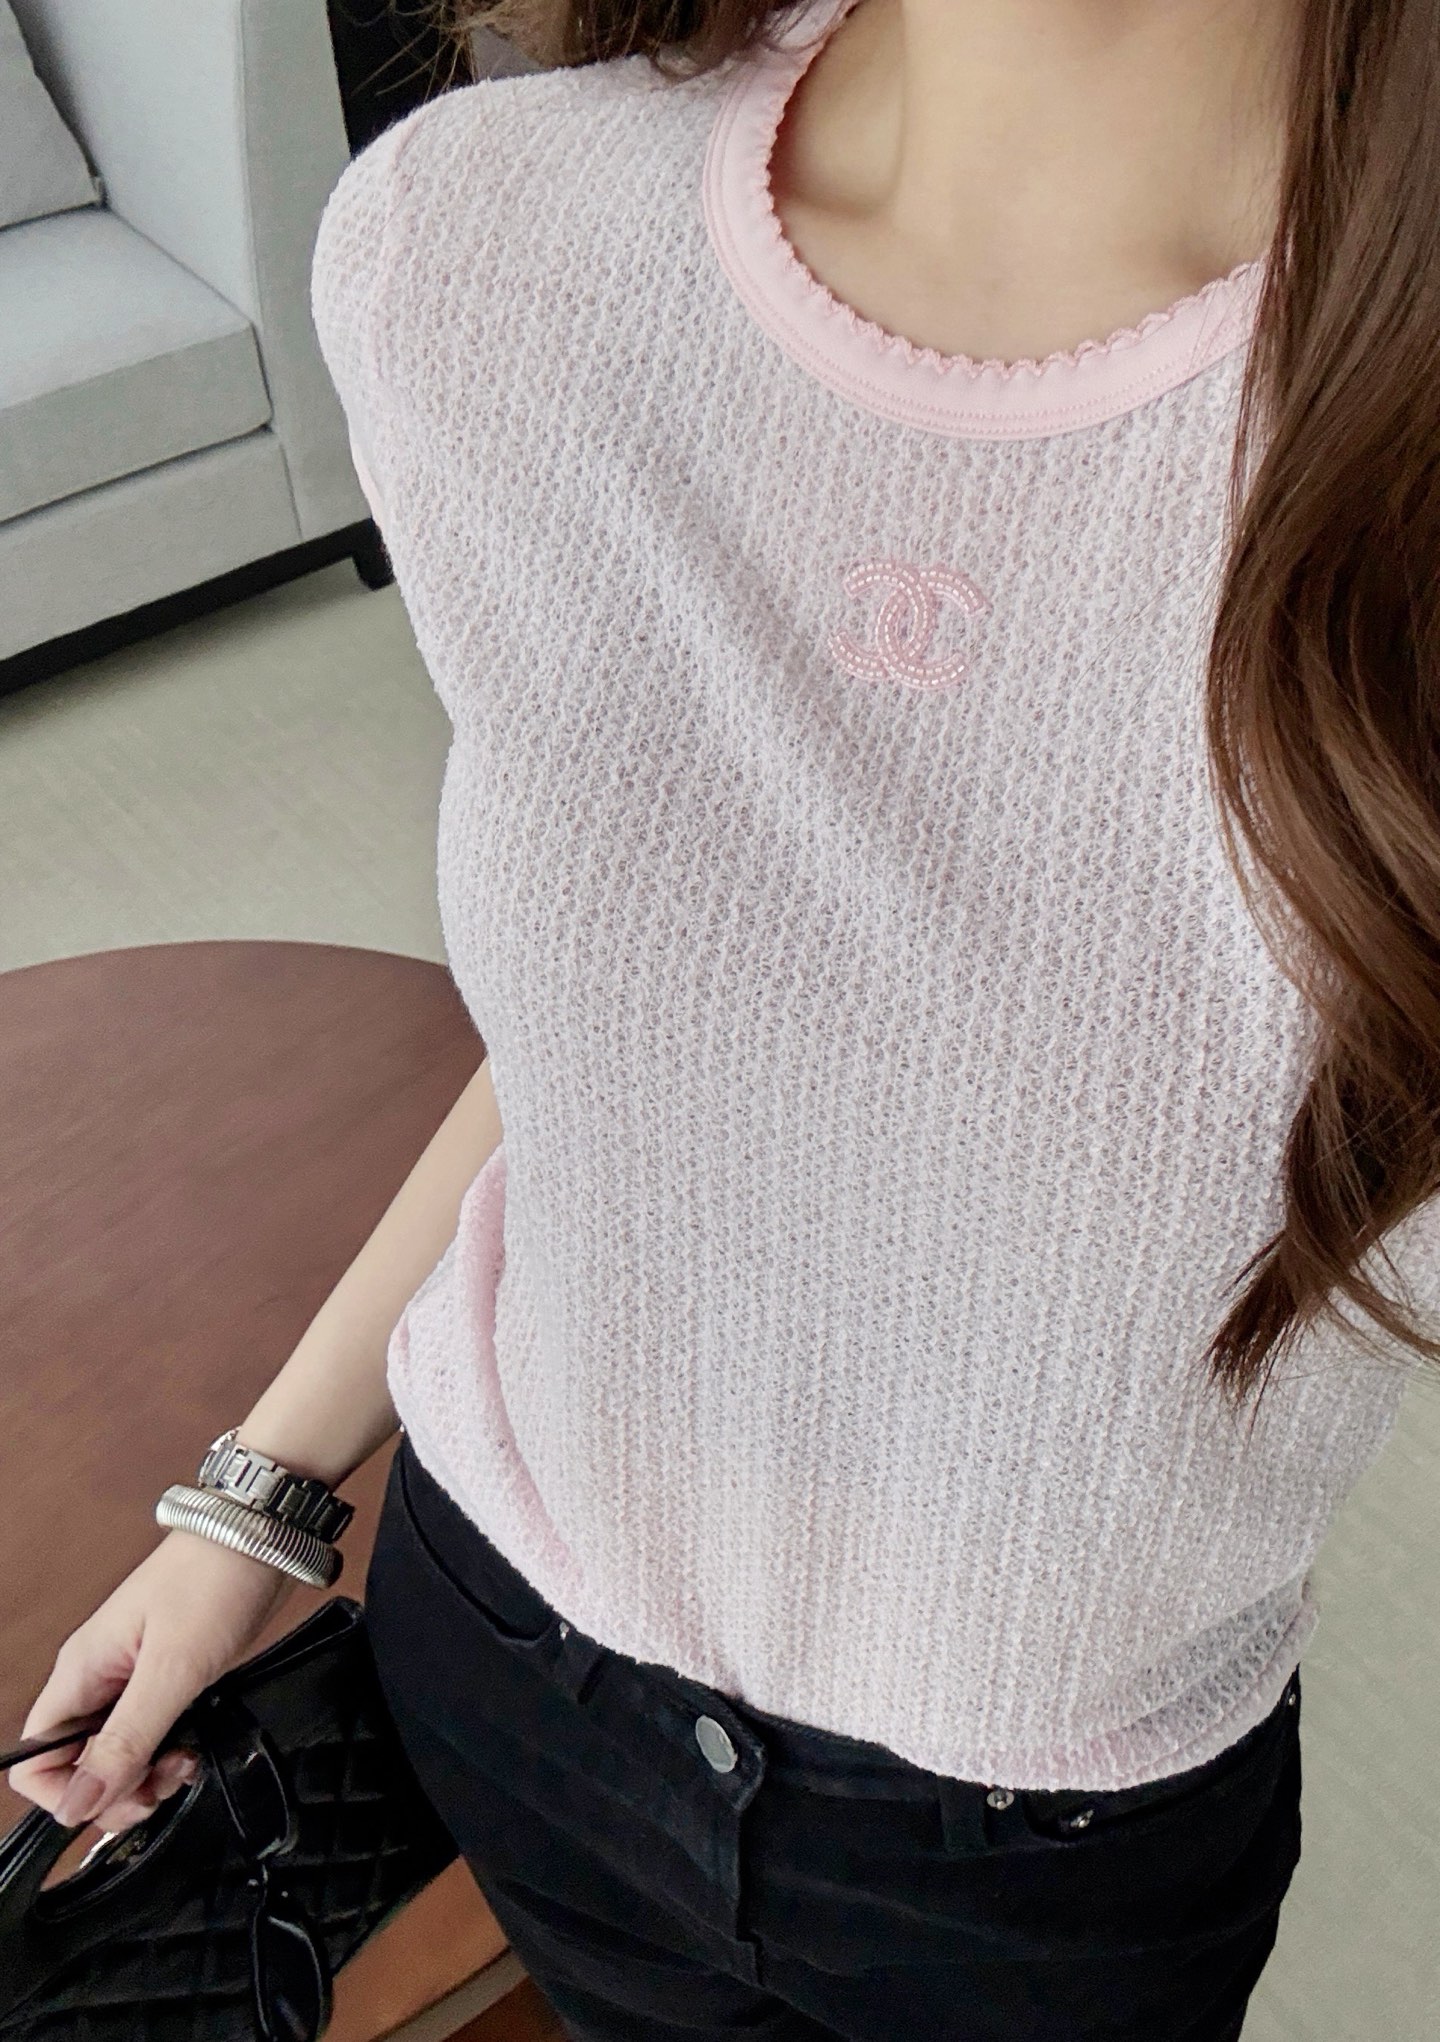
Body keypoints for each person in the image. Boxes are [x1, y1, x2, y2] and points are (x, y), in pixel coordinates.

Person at [11, 1, 1439, 2036]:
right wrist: (258, 1497)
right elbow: (608, 1047)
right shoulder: (481, 250)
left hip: (1043, 1848)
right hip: (505, 1656)